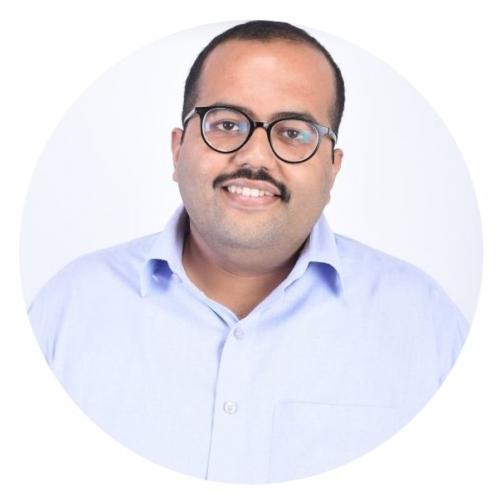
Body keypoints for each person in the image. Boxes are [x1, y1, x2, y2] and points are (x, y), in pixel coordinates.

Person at [27, 20, 469, 483]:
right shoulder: (67, 311)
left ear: (333, 169)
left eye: (293, 132)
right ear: (178, 149)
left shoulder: (428, 327)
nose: (255, 156)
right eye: (226, 124)